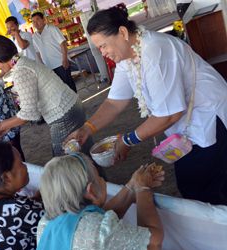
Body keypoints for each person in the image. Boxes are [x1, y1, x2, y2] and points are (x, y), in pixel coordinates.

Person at [66, 7, 227, 205]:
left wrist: (127, 140)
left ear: (123, 33)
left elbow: (169, 115)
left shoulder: (155, 51)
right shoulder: (127, 57)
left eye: (103, 46)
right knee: (192, 186)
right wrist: (87, 128)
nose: (102, 53)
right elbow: (114, 102)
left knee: (210, 191)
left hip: (208, 120)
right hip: (186, 130)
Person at [33, 153, 164, 250]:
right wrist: (142, 189)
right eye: (98, 177)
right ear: (91, 191)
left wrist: (132, 186)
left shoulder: (45, 224)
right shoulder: (101, 232)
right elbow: (152, 246)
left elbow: (96, 221)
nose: (102, 179)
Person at [0, 35, 92, 156]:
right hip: (70, 108)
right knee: (84, 154)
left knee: (66, 163)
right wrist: (6, 127)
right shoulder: (22, 62)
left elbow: (29, 113)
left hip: (64, 114)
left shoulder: (21, 70)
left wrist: (0, 126)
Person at [31, 12, 77, 92]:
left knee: (68, 85)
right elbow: (37, 52)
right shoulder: (34, 36)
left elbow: (63, 44)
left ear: (43, 20)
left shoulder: (52, 29)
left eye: (38, 19)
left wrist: (65, 59)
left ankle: (76, 103)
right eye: (33, 21)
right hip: (48, 67)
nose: (36, 23)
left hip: (60, 63)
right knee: (59, 89)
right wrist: (42, 66)